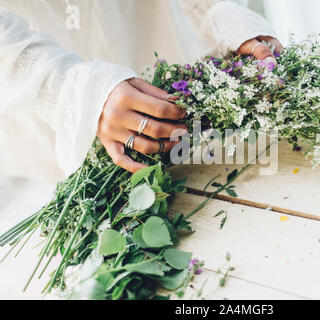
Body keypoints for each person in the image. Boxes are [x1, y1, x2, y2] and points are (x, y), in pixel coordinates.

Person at [0, 0, 283, 183]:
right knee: (81, 182)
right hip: (32, 63)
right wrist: (70, 89)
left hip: (139, 29)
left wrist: (216, 12)